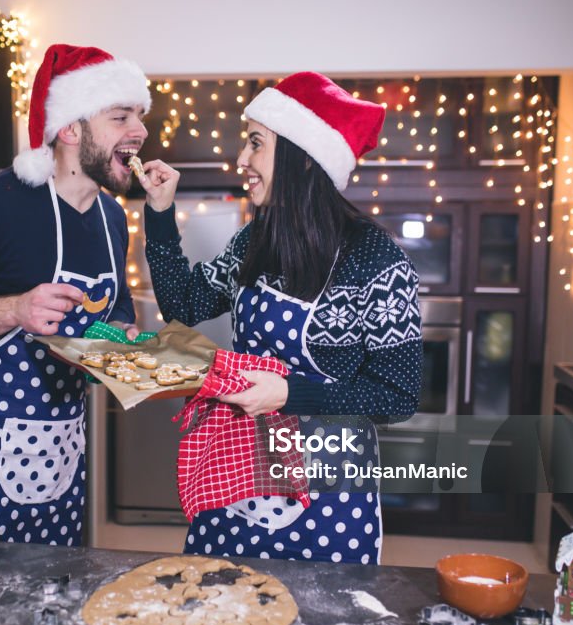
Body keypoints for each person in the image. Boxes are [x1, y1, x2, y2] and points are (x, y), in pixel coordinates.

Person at [141, 72, 423, 562]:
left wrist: (291, 392)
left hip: (330, 491)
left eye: (256, 143)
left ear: (301, 157)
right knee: (223, 614)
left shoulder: (374, 261)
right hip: (239, 470)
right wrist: (160, 215)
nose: (242, 160)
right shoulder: (256, 241)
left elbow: (397, 395)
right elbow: (185, 307)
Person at [0, 44, 168, 545]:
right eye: (121, 116)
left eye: (140, 116)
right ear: (70, 129)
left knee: (54, 596)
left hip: (62, 453)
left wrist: (122, 337)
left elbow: (111, 313)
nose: (141, 131)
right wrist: (13, 310)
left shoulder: (111, 218)